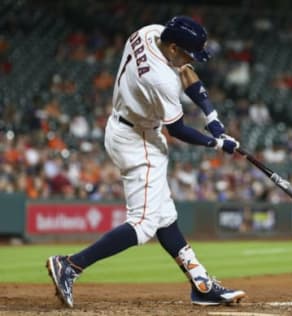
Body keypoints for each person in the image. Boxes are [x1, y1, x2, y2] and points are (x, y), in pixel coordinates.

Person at [46, 16, 245, 308]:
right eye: (190, 53)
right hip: (139, 140)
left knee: (165, 218)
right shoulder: (160, 77)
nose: (194, 60)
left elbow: (186, 71)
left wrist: (212, 116)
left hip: (123, 126)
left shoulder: (150, 32)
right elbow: (176, 129)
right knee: (143, 224)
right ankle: (71, 265)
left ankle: (200, 283)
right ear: (174, 47)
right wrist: (217, 143)